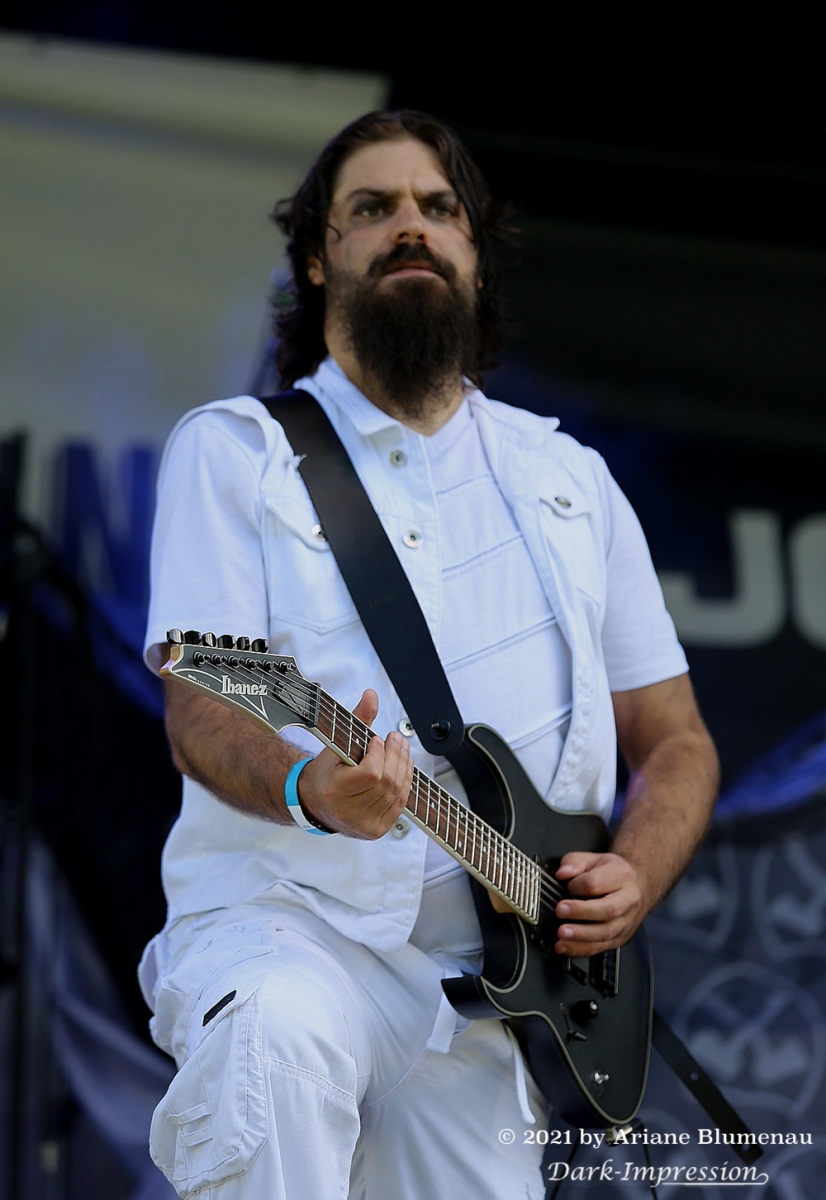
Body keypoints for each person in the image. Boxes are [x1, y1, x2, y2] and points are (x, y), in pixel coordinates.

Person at [140, 110, 719, 1200]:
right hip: (292, 928)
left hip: (491, 996)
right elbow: (203, 707)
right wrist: (312, 789)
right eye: (373, 207)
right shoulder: (237, 452)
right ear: (319, 259)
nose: (410, 225)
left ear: (472, 253)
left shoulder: (571, 482)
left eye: (438, 207)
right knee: (275, 1043)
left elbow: (675, 739)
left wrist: (636, 870)